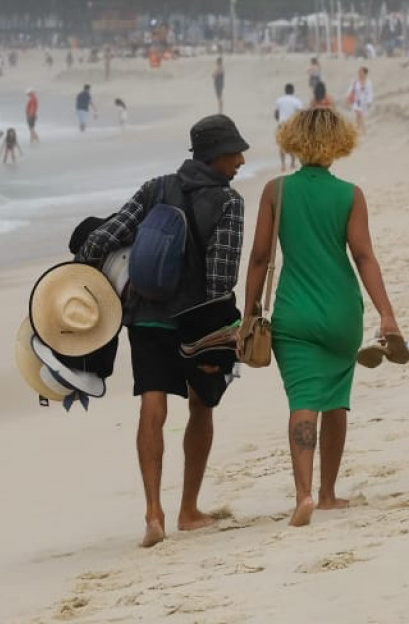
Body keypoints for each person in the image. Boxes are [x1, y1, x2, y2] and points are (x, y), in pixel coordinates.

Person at [75, 115, 250, 548]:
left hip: (147, 316)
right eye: (235, 153)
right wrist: (215, 326)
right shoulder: (229, 202)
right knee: (200, 407)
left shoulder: (155, 188)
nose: (242, 160)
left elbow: (100, 242)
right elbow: (222, 277)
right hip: (200, 323)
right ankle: (189, 510)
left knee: (152, 408)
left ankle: (154, 513)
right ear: (216, 155)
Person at [241, 106, 404, 528]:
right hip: (341, 313)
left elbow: (260, 257)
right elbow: (364, 257)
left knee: (303, 398)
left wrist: (248, 314)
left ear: (293, 141)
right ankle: (329, 493)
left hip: (293, 312)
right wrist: (387, 315)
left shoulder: (276, 192)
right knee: (336, 400)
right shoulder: (350, 195)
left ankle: (304, 494)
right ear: (339, 143)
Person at [273, 83, 306, 171]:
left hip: (282, 124)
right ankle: (292, 163)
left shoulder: (279, 100)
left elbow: (276, 113)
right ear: (293, 91)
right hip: (292, 125)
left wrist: (278, 120)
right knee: (292, 144)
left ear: (285, 90)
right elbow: (300, 114)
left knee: (281, 144)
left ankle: (283, 165)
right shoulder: (296, 101)